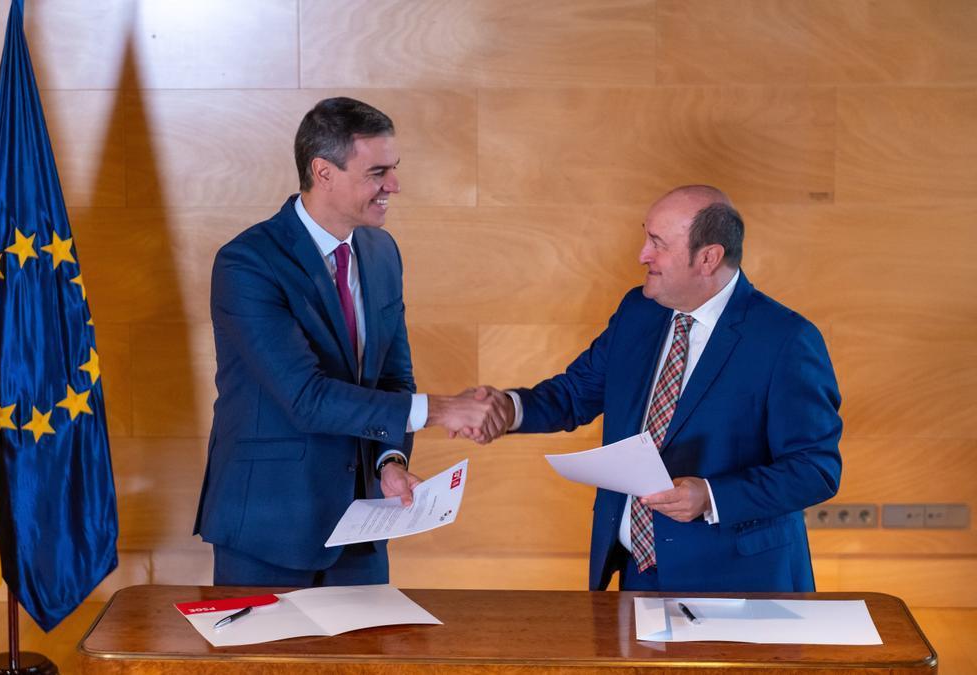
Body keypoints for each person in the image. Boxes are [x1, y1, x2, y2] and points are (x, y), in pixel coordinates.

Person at [194, 97, 507, 586]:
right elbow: (305, 398)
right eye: (377, 172)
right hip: (268, 526)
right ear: (323, 172)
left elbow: (391, 377)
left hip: (361, 526)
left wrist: (390, 460)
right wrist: (442, 410)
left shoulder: (382, 253)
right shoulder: (247, 263)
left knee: (366, 664)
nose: (394, 186)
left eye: (394, 169)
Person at [468, 185, 842, 592]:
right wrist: (508, 408)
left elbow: (815, 469)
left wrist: (713, 496)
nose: (642, 254)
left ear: (708, 257)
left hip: (737, 582)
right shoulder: (638, 311)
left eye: (657, 243)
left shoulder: (786, 339)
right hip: (635, 573)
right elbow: (576, 392)